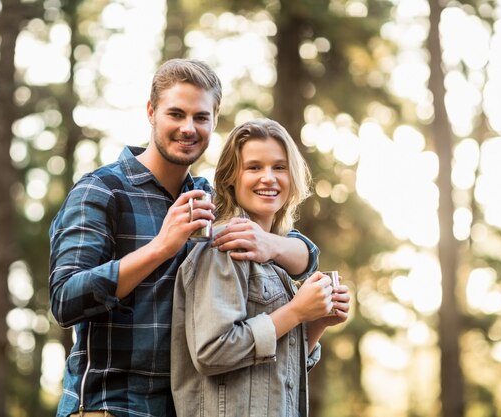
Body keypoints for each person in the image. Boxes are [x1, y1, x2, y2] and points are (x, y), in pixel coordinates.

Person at [48, 59, 320, 417]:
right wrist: (161, 247)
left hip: (183, 407)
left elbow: (302, 253)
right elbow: (66, 299)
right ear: (151, 112)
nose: (188, 128)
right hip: (110, 407)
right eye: (176, 114)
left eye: (200, 117)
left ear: (213, 120)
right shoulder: (102, 191)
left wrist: (275, 245)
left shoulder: (207, 199)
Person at [171, 118, 351, 417]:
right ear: (231, 177)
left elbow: (273, 369)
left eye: (279, 167)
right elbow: (212, 352)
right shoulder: (226, 246)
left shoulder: (273, 257)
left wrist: (316, 323)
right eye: (254, 167)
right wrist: (296, 312)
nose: (268, 178)